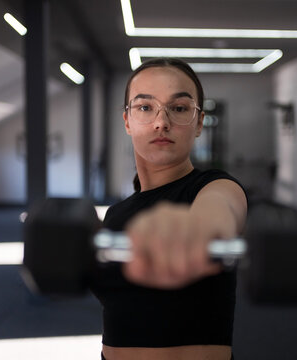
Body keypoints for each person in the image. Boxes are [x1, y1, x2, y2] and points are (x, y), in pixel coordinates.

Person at [89, 58, 248, 360]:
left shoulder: (215, 187)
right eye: (146, 108)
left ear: (199, 122)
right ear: (127, 121)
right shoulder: (116, 214)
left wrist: (195, 230)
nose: (161, 122)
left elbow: (218, 213)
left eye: (179, 108)